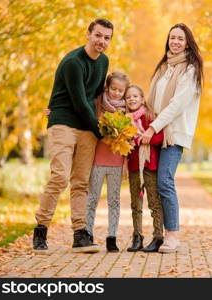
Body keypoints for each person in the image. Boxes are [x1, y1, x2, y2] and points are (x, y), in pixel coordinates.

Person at [33, 18, 113, 254]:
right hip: (64, 122)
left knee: (81, 182)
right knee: (59, 177)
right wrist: (102, 132)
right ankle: (40, 231)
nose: (101, 41)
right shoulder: (73, 62)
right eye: (98, 35)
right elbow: (79, 102)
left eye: (106, 38)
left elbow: (97, 97)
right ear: (88, 34)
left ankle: (80, 234)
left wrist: (113, 123)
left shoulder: (104, 61)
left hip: (87, 127)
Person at [140, 23, 203, 253]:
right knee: (153, 184)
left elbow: (177, 105)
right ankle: (158, 235)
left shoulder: (190, 70)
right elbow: (151, 100)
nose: (175, 42)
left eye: (180, 38)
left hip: (173, 134)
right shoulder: (164, 66)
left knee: (165, 181)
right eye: (172, 38)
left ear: (187, 43)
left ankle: (173, 236)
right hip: (155, 133)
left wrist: (153, 128)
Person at [85, 72, 130, 253]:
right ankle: (87, 234)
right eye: (113, 89)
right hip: (97, 160)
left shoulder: (126, 111)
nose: (116, 93)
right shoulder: (97, 104)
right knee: (92, 199)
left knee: (114, 201)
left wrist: (126, 163)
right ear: (107, 87)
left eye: (120, 91)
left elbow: (129, 139)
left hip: (116, 162)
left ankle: (112, 237)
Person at [125, 85, 165, 252]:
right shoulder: (125, 120)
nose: (132, 99)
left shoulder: (149, 117)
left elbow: (160, 137)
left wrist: (142, 139)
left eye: (135, 96)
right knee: (136, 203)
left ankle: (158, 237)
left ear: (142, 99)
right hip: (134, 166)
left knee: (154, 202)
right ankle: (137, 236)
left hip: (150, 165)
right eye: (128, 97)